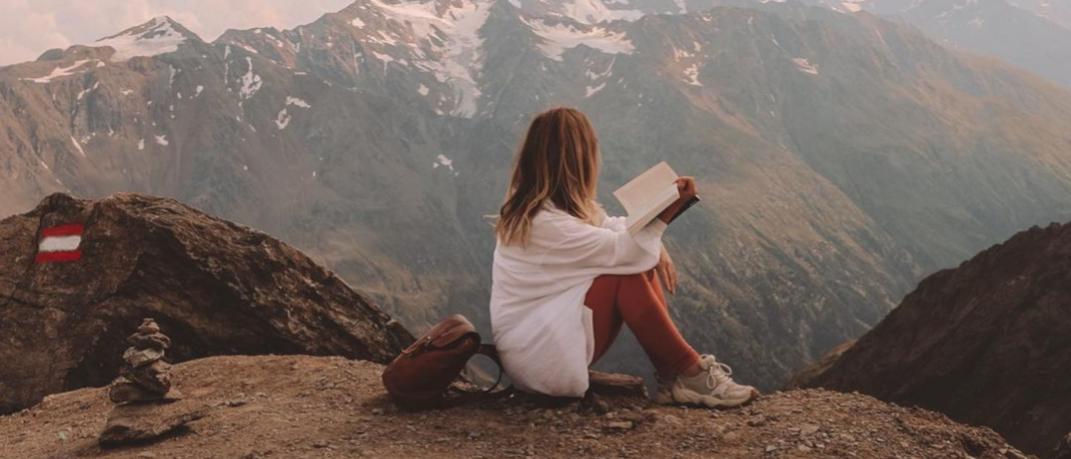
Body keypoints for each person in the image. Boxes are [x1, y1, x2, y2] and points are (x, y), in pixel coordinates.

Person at [489, 106, 759, 408]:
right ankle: (687, 372)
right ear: (579, 158)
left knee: (633, 267)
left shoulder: (546, 210)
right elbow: (628, 251)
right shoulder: (547, 224)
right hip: (538, 357)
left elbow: (613, 227)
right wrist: (664, 217)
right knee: (625, 275)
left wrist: (658, 246)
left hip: (535, 343)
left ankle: (676, 376)